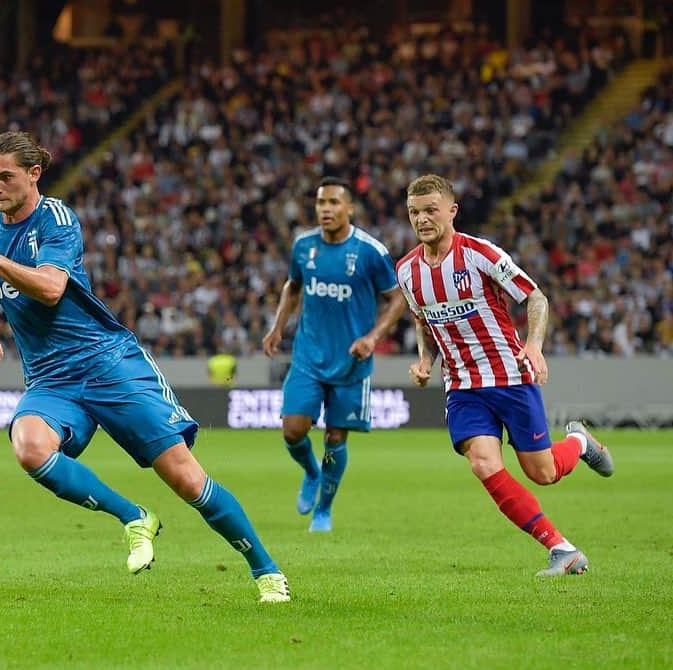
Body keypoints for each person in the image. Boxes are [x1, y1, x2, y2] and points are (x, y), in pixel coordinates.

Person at [0, 131, 289, 602]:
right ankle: (135, 517)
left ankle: (266, 571)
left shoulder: (57, 219)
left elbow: (50, 288)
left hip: (107, 362)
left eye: (5, 177)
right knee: (29, 447)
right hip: (51, 379)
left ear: (34, 174)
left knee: (185, 477)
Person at [397, 174, 613, 576]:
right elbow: (420, 317)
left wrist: (533, 345)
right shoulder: (407, 271)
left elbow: (535, 295)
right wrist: (425, 359)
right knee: (482, 463)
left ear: (451, 211)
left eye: (430, 210)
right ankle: (561, 549)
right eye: (414, 212)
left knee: (543, 472)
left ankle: (579, 442)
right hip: (462, 387)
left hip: (510, 377)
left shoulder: (480, 254)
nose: (422, 219)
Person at [262, 177, 405, 533]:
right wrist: (278, 326)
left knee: (335, 439)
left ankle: (323, 510)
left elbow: (398, 298)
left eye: (334, 203)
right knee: (293, 431)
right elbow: (292, 287)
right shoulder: (303, 246)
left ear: (349, 208)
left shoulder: (371, 252)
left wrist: (372, 337)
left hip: (351, 363)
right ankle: (312, 473)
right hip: (308, 358)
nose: (326, 209)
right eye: (321, 202)